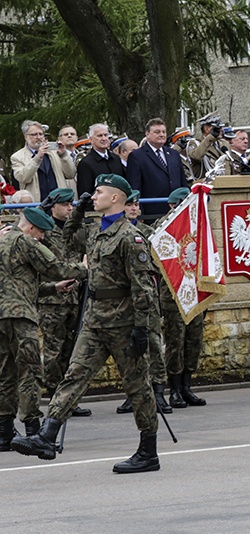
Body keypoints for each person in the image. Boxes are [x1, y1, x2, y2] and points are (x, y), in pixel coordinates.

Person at [12, 173, 161, 473]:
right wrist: (79, 209)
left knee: (137, 386)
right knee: (74, 375)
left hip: (122, 321)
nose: (94, 196)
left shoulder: (130, 237)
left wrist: (142, 328)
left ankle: (148, 451)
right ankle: (47, 434)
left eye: (99, 192)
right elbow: (66, 237)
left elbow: (143, 288)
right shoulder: (95, 230)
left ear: (116, 198)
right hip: (94, 318)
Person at [0, 208, 86, 452]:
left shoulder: (2, 240)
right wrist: (83, 268)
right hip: (21, 317)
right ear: (30, 228)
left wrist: (54, 288)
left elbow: (21, 284)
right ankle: (32, 428)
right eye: (41, 233)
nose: (42, 238)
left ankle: (4, 431)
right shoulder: (24, 242)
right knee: (30, 371)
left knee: (5, 372)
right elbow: (55, 266)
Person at [36, 188, 92, 417]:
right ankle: (53, 397)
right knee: (53, 351)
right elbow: (25, 226)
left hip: (73, 297)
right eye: (65, 204)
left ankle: (68, 399)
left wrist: (79, 212)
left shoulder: (75, 229)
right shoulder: (45, 231)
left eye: (72, 204)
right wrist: (41, 207)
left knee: (71, 350)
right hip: (51, 300)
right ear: (53, 206)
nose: (69, 208)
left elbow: (84, 244)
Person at [117, 190, 171, 415]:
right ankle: (133, 394)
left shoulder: (149, 233)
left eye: (136, 205)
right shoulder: (113, 233)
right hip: (123, 301)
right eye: (129, 204)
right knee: (129, 351)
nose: (133, 208)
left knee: (155, 346)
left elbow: (161, 262)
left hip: (146, 298)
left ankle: (159, 392)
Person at [156, 187, 208, 410]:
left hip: (194, 289)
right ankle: (175, 388)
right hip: (174, 292)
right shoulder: (164, 226)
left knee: (194, 339)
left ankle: (187, 386)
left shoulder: (199, 226)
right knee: (175, 340)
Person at [11, 120, 77, 202]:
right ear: (25, 137)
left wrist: (63, 155)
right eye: (34, 134)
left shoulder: (54, 152)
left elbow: (71, 174)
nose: (38, 137)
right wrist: (37, 158)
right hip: (37, 204)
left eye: (41, 134)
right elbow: (23, 178)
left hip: (58, 203)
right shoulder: (17, 156)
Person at [126, 118, 190, 198]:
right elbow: (135, 187)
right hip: (152, 206)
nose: (162, 135)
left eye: (164, 132)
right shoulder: (137, 156)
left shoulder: (174, 154)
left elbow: (182, 182)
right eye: (157, 132)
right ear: (147, 134)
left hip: (177, 206)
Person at [76, 123, 126, 197]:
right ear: (91, 140)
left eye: (106, 135)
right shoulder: (85, 163)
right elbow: (85, 192)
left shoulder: (116, 159)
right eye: (99, 136)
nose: (104, 139)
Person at [188, 112, 225, 179]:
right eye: (217, 128)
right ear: (207, 129)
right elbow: (196, 157)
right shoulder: (195, 143)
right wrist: (210, 137)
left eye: (221, 127)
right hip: (206, 186)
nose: (221, 130)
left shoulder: (224, 144)